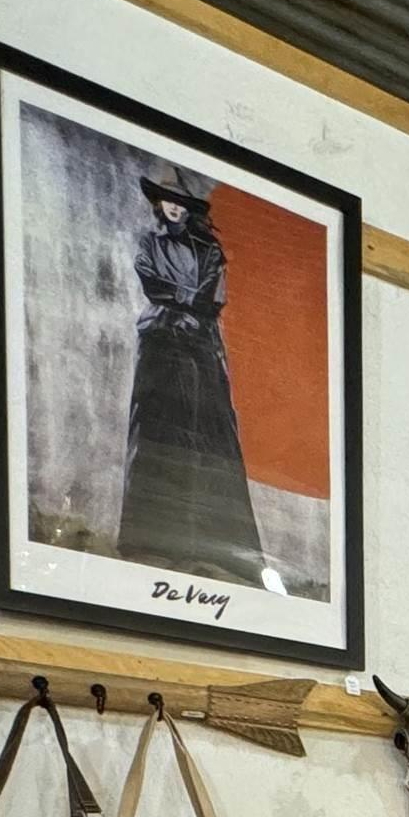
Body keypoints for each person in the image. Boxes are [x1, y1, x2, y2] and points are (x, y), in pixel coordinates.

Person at [115, 169, 267, 587]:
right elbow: (152, 283)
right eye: (167, 200)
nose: (173, 207)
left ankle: (213, 544)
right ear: (158, 204)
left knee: (208, 435)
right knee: (158, 432)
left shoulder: (209, 250)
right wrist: (184, 301)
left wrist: (188, 305)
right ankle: (153, 539)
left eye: (180, 201)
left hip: (200, 343)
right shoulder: (150, 244)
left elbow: (213, 296)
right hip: (161, 341)